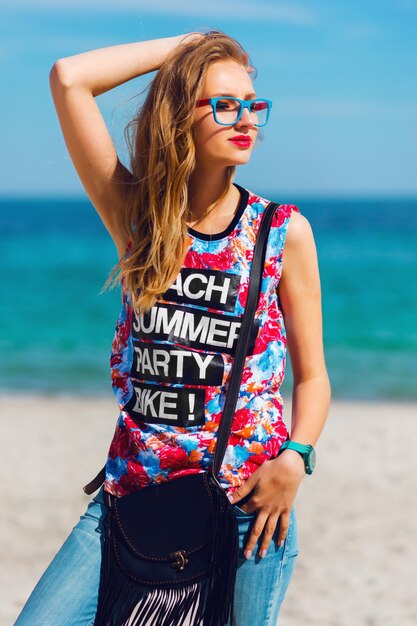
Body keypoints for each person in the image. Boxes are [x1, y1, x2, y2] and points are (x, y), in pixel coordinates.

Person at [14, 29, 331, 626]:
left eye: (252, 105)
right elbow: (69, 78)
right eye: (224, 103)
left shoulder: (281, 232)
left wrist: (295, 458)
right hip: (131, 492)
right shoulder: (139, 217)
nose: (246, 120)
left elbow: (313, 377)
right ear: (182, 111)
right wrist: (193, 45)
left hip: (248, 503)